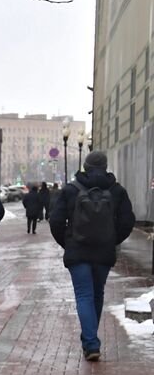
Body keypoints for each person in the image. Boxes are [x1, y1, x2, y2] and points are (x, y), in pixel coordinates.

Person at [48, 150, 137, 362]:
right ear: (105, 167)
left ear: (85, 167)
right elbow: (127, 221)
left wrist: (68, 243)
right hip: (103, 253)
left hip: (77, 252)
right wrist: (112, 240)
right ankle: (90, 340)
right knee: (97, 295)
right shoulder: (117, 191)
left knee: (84, 295)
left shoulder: (71, 190)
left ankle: (90, 342)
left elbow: (55, 221)